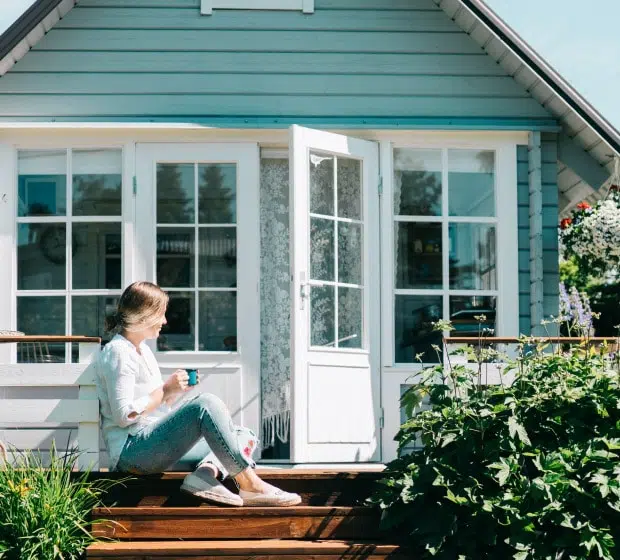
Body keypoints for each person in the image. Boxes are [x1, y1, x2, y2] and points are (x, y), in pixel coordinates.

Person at [95, 281, 301, 507]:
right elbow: (124, 416)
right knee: (205, 404)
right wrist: (165, 390)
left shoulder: (142, 350)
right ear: (143, 316)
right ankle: (251, 485)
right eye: (161, 314)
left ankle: (205, 474)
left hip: (150, 444)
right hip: (132, 452)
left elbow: (152, 406)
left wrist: (171, 392)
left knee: (243, 434)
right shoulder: (118, 353)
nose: (165, 321)